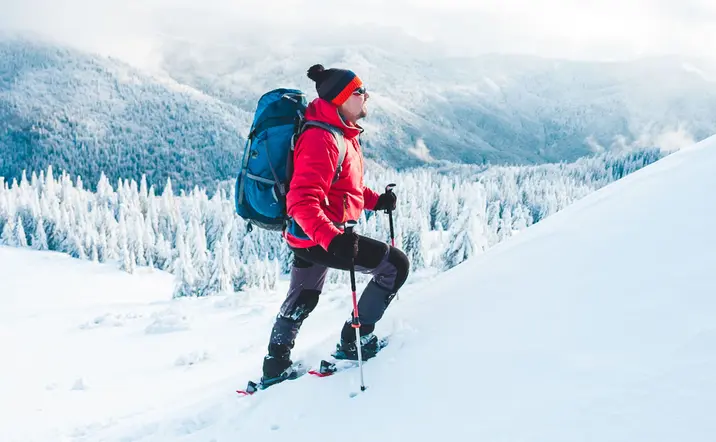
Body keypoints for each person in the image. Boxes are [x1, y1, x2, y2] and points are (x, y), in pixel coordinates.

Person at [261, 64, 410, 385]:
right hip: (319, 234)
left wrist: (375, 200)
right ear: (341, 98)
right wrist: (333, 239)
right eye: (359, 91)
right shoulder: (322, 138)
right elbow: (301, 199)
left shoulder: (339, 133)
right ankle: (355, 339)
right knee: (395, 266)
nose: (365, 96)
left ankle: (275, 365)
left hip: (306, 234)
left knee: (303, 297)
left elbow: (342, 187)